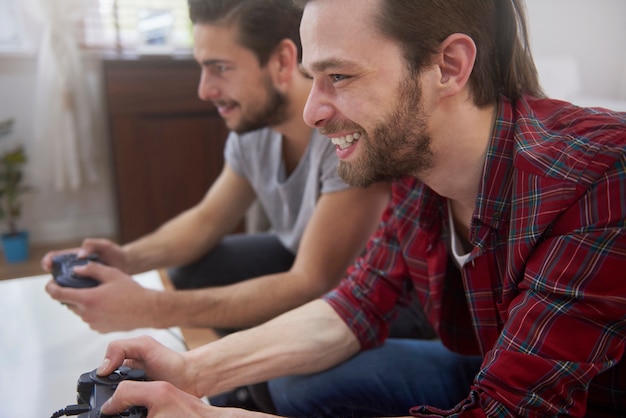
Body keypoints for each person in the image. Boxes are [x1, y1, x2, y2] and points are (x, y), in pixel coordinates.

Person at [93, 0, 626, 416]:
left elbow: (507, 412)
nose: (312, 111)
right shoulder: (418, 172)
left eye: (339, 77)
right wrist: (191, 370)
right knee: (296, 383)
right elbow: (352, 308)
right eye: (312, 77)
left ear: (449, 66)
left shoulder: (596, 177)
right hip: (490, 364)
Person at [42, 0, 389, 335]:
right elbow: (207, 220)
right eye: (203, 67)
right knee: (191, 271)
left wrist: (151, 308)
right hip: (302, 262)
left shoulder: (343, 134)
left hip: (375, 298)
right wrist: (125, 259)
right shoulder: (254, 129)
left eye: (220, 68)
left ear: (282, 61)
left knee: (287, 373)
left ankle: (251, 384)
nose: (205, 90)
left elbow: (311, 282)